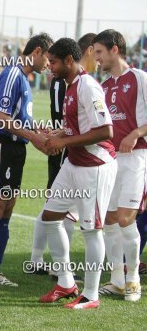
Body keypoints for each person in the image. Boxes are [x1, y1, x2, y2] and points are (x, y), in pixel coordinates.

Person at [39, 38, 117, 309]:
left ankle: (91, 295)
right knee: (50, 217)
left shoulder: (88, 86)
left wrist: (63, 142)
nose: (50, 66)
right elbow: (78, 127)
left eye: (55, 62)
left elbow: (105, 131)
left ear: (69, 61)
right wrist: (58, 134)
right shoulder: (68, 85)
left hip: (95, 166)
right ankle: (66, 282)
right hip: (74, 163)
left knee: (92, 231)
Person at [0, 33, 53, 288]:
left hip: (16, 151)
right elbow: (0, 117)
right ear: (37, 51)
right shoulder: (13, 74)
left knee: (6, 211)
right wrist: (33, 136)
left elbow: (21, 119)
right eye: (48, 58)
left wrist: (40, 132)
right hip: (2, 148)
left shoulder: (25, 79)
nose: (48, 64)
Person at [30, 33, 97, 277]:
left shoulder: (78, 81)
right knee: (62, 210)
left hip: (65, 144)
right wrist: (58, 140)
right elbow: (65, 118)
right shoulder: (66, 81)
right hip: (65, 149)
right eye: (96, 53)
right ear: (88, 51)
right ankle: (56, 268)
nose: (98, 60)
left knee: (57, 209)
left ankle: (43, 262)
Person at [94, 29, 147, 302]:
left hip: (137, 157)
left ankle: (133, 278)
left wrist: (136, 133)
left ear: (115, 49)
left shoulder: (140, 79)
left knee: (126, 218)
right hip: (111, 160)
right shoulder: (102, 87)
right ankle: (116, 279)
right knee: (111, 220)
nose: (97, 58)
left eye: (100, 52)